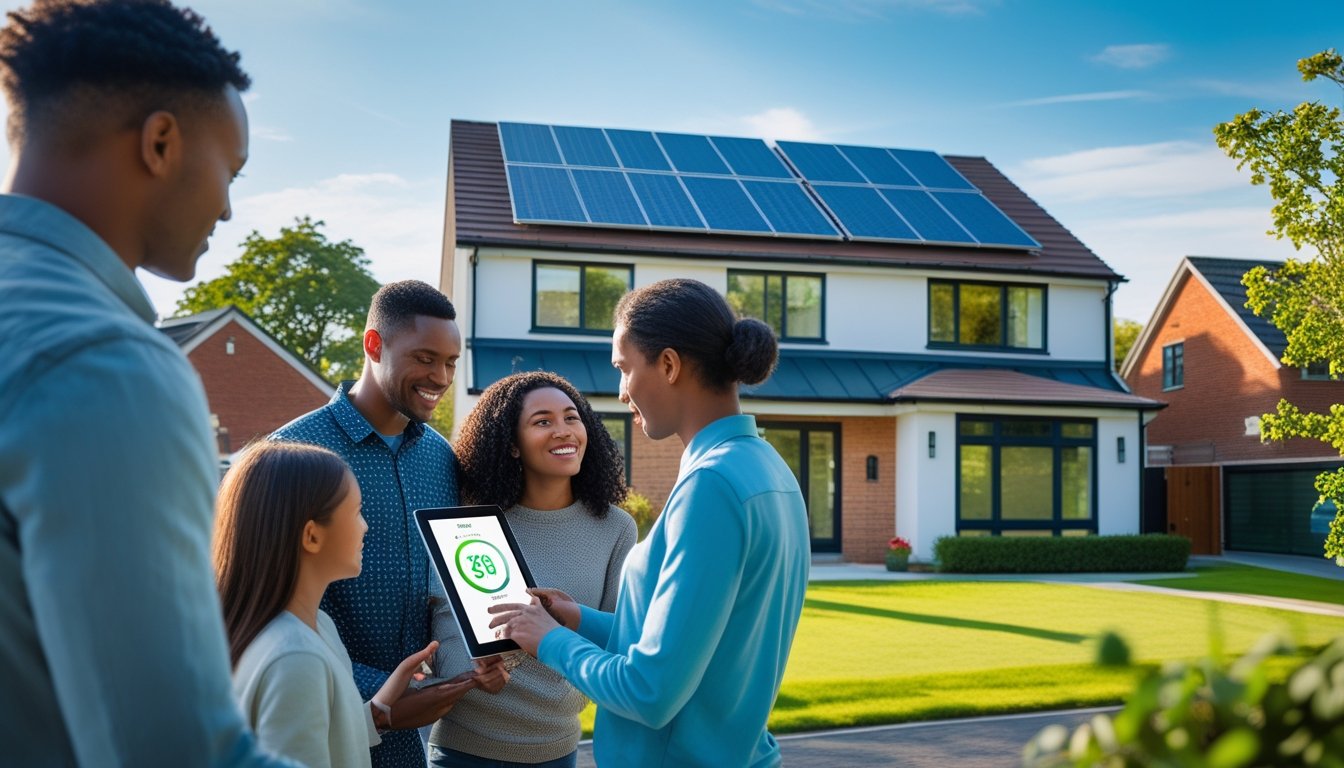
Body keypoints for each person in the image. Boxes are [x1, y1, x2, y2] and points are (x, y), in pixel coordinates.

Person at [0, 1, 290, 764]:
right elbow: (175, 751)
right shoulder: (106, 363)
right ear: (160, 142)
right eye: (229, 171)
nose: (228, 208)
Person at [490, 278, 812, 767]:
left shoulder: (712, 486)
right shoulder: (769, 468)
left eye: (624, 368)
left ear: (668, 365)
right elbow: (690, 644)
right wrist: (578, 619)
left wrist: (550, 641)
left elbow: (649, 691)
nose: (621, 392)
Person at [272, 278, 483, 768]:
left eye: (450, 363)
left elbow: (451, 587)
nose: (441, 377)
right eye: (425, 358)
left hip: (427, 738)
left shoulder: (442, 460)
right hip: (321, 729)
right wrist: (385, 695)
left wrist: (470, 663)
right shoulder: (288, 456)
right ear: (374, 344)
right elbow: (258, 604)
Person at [214, 441, 507, 768]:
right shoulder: (296, 658)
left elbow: (328, 742)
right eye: (356, 513)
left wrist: (377, 712)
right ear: (311, 536)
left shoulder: (316, 626)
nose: (365, 526)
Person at [428, 371, 637, 768]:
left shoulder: (616, 529)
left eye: (571, 417)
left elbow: (616, 637)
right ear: (511, 446)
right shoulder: (470, 525)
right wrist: (472, 672)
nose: (564, 431)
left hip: (555, 750)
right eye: (543, 422)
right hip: (462, 750)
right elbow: (443, 624)